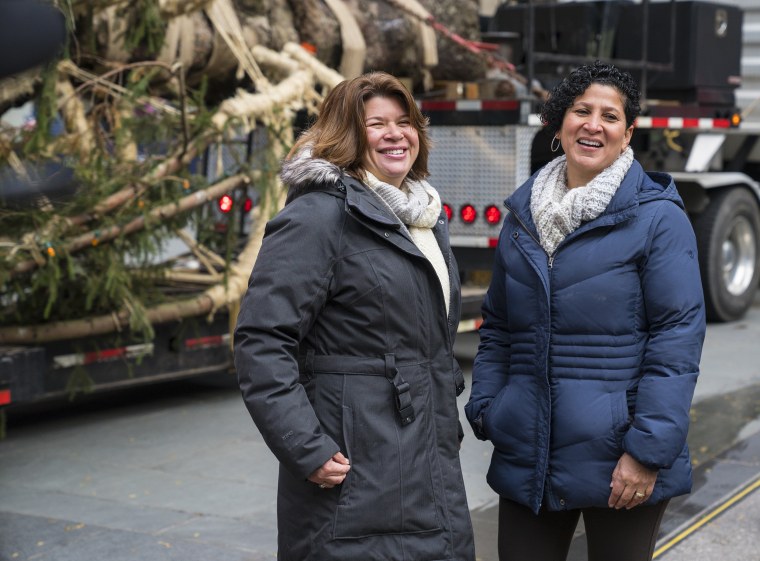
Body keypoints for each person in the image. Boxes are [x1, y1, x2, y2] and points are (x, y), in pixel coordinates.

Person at [465, 61, 706, 561]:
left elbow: (676, 341)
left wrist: (646, 453)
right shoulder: (523, 217)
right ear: (558, 124)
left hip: (620, 458)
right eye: (581, 111)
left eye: (610, 115)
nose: (593, 124)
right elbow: (499, 329)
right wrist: (490, 407)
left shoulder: (658, 218)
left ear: (628, 132)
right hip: (530, 451)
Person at [234, 71, 475, 561]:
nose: (395, 134)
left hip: (424, 459)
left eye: (404, 122)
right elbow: (262, 339)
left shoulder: (423, 216)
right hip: (355, 472)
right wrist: (306, 447)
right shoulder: (318, 216)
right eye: (376, 123)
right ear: (345, 134)